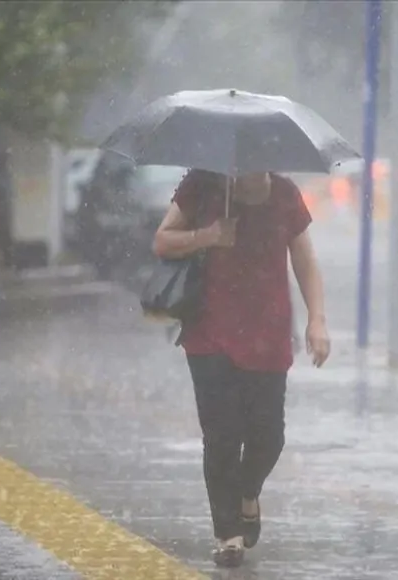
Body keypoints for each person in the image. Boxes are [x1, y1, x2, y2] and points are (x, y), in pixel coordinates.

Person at [152, 169, 331, 568]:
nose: (254, 166)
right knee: (222, 437)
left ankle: (248, 493)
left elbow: (304, 259)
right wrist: (208, 236)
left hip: (268, 333)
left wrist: (316, 319)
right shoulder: (203, 185)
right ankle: (227, 534)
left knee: (269, 436)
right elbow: (163, 240)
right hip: (210, 332)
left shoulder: (284, 194)